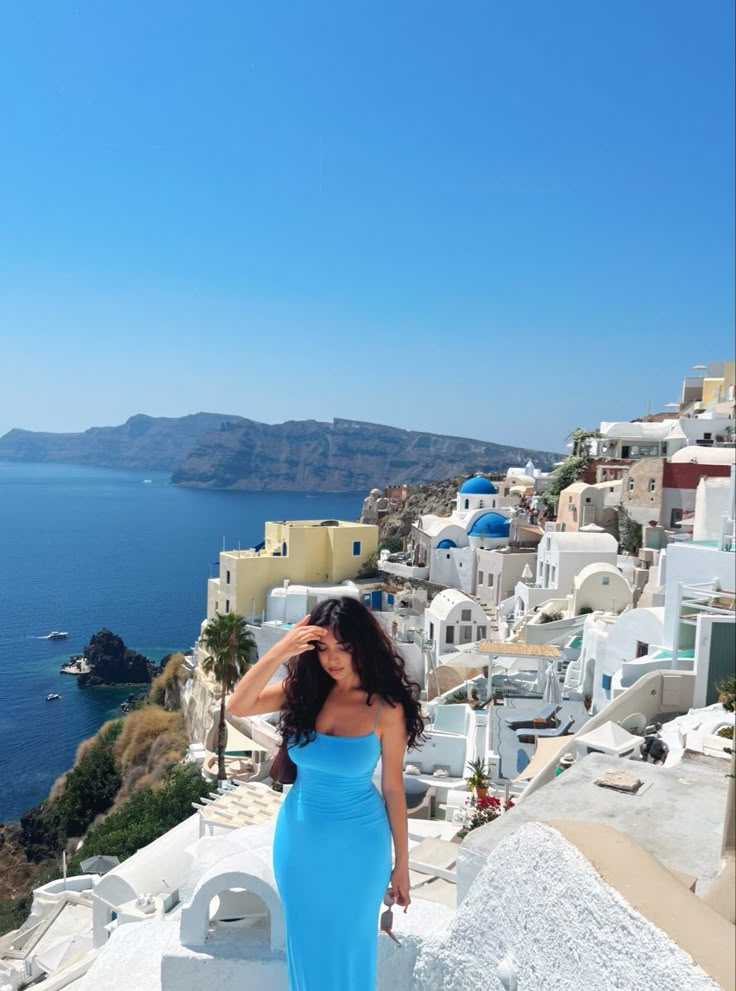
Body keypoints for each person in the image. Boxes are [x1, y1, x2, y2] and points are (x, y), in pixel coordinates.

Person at [227, 596, 426, 991]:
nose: (332, 659)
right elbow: (238, 703)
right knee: (305, 944)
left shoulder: (386, 708)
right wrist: (282, 649)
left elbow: (392, 788)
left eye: (344, 648)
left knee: (350, 947)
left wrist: (402, 864)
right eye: (322, 649)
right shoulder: (303, 691)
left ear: (362, 647)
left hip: (359, 848)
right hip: (298, 842)